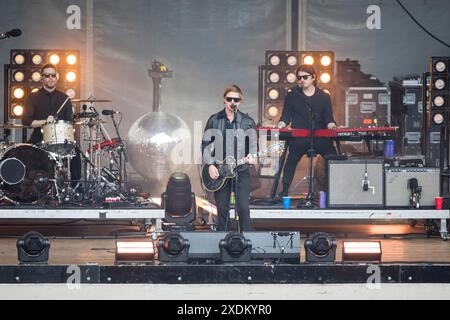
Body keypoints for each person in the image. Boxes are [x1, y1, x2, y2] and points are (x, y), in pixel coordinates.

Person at [202, 85, 257, 232]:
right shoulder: (214, 120)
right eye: (229, 99)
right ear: (224, 100)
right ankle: (223, 242)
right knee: (222, 210)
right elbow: (206, 145)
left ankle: (247, 242)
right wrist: (211, 165)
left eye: (236, 99)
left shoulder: (247, 122)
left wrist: (252, 156)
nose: (233, 102)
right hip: (220, 171)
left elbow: (253, 145)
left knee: (243, 208)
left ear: (240, 101)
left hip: (241, 170)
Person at [278, 64, 337, 197]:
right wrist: (281, 124)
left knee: (333, 157)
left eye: (305, 77)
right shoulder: (293, 94)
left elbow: (329, 118)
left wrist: (332, 125)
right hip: (299, 138)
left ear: (313, 77)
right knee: (291, 158)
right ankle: (284, 190)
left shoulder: (323, 96)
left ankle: (335, 190)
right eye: (299, 77)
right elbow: (285, 115)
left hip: (320, 138)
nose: (301, 80)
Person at [22, 63, 81, 181]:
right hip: (39, 139)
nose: (50, 78)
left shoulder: (64, 98)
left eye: (53, 75)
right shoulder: (33, 97)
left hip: (61, 140)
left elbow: (69, 122)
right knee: (24, 154)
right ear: (42, 78)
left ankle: (74, 190)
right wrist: (45, 122)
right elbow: (26, 121)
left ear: (57, 77)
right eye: (47, 75)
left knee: (76, 154)